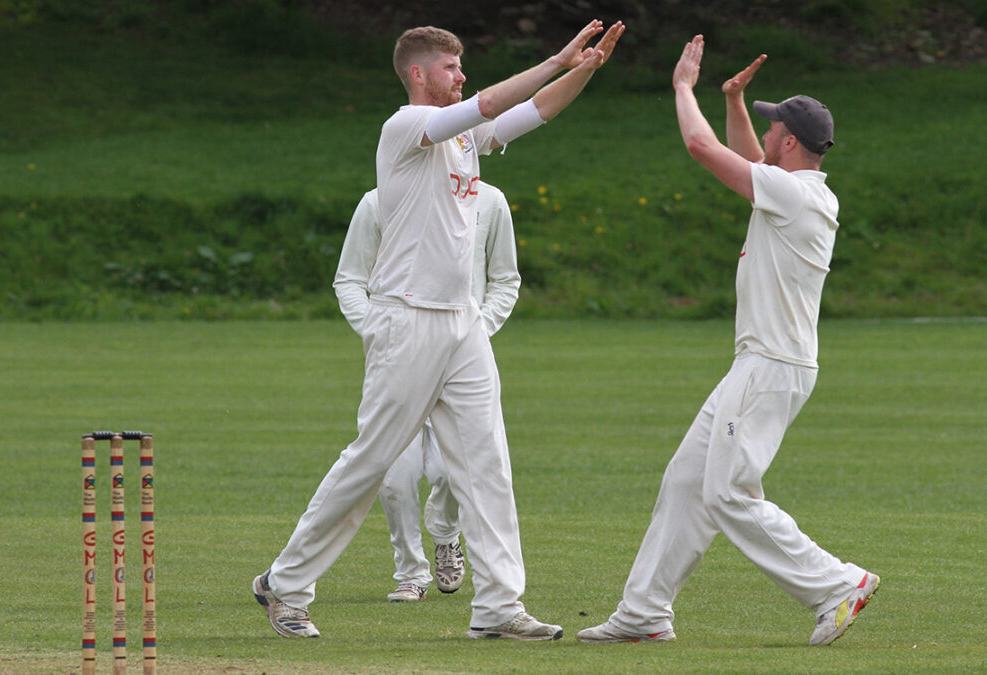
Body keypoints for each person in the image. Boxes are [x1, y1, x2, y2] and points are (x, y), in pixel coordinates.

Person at [254, 19, 625, 641]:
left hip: (464, 325)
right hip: (407, 320)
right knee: (371, 461)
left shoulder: (465, 138)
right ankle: (286, 587)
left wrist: (583, 70)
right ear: (420, 75)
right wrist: (558, 56)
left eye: (463, 67)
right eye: (451, 68)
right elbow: (491, 102)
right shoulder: (404, 126)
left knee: (486, 464)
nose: (462, 76)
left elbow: (532, 112)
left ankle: (499, 607)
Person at [578, 36, 879, 647]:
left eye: (773, 128)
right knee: (687, 483)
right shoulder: (795, 189)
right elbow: (751, 162)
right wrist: (736, 100)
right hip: (761, 363)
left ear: (790, 141)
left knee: (727, 493)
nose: (766, 134)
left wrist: (684, 90)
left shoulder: (796, 196)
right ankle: (643, 613)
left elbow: (701, 146)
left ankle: (836, 584)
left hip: (770, 365)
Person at [332, 182, 520, 603]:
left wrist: (473, 334)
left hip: (461, 358)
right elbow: (349, 280)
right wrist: (382, 334)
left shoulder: (489, 201)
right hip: (399, 357)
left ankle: (446, 533)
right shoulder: (378, 202)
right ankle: (410, 571)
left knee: (454, 471)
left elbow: (505, 280)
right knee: (395, 476)